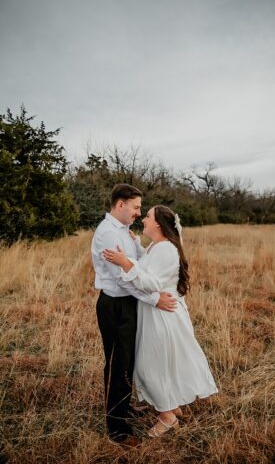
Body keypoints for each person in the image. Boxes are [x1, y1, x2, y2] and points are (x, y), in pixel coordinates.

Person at [103, 204, 218, 438]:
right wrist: (136, 245)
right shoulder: (159, 245)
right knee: (165, 362)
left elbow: (152, 282)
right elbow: (148, 262)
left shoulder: (166, 249)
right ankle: (172, 403)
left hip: (162, 316)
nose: (143, 219)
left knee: (150, 365)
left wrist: (125, 263)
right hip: (158, 313)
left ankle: (167, 418)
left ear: (158, 224)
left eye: (147, 216)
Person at [90, 184, 177, 447]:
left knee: (128, 361)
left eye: (141, 209)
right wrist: (154, 299)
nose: (138, 213)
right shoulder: (107, 234)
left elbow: (138, 266)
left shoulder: (125, 232)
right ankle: (117, 429)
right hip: (115, 305)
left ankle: (123, 407)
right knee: (117, 363)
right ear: (120, 205)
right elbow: (123, 279)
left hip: (129, 303)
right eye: (136, 207)